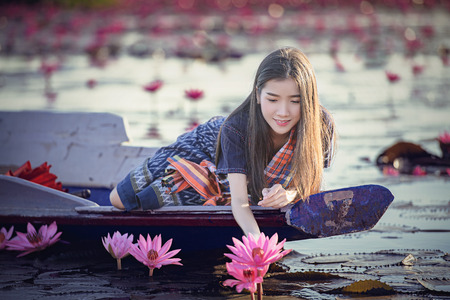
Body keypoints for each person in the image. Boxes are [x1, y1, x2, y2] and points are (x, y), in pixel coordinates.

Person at [110, 47, 336, 237]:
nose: (283, 112)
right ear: (258, 95)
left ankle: (207, 188)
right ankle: (190, 178)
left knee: (243, 194)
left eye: (295, 101)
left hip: (238, 176)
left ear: (308, 99)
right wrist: (258, 245)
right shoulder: (235, 127)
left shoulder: (321, 125)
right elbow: (240, 202)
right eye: (273, 99)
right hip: (203, 147)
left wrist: (289, 194)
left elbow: (309, 183)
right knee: (120, 200)